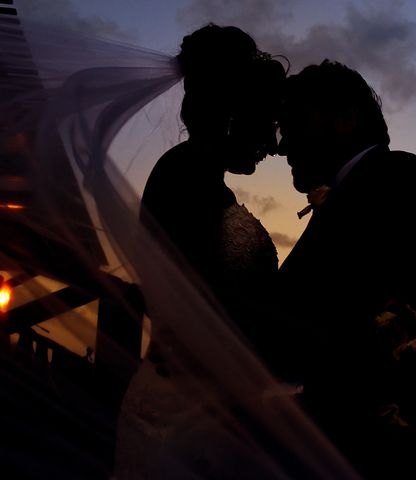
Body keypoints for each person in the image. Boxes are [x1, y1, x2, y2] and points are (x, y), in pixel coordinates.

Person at [277, 60, 416, 478]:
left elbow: (336, 315)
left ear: (346, 119)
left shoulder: (396, 181)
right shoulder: (371, 186)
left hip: (406, 454)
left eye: (295, 124)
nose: (284, 146)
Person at [115, 24, 288, 478]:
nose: (273, 145)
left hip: (202, 412)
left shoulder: (198, 178)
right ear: (234, 114)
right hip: (181, 420)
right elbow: (202, 308)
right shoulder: (183, 179)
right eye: (268, 123)